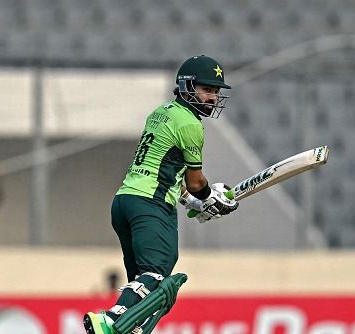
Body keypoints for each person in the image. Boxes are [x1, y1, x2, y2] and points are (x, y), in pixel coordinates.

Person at [84, 55, 239, 334]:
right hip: (151, 205)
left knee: (141, 282)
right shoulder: (190, 124)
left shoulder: (161, 112)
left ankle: (128, 325)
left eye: (215, 92)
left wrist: (192, 200)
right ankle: (109, 320)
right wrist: (208, 196)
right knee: (157, 273)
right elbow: (195, 181)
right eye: (207, 90)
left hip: (124, 202)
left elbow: (165, 171)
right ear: (187, 86)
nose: (213, 98)